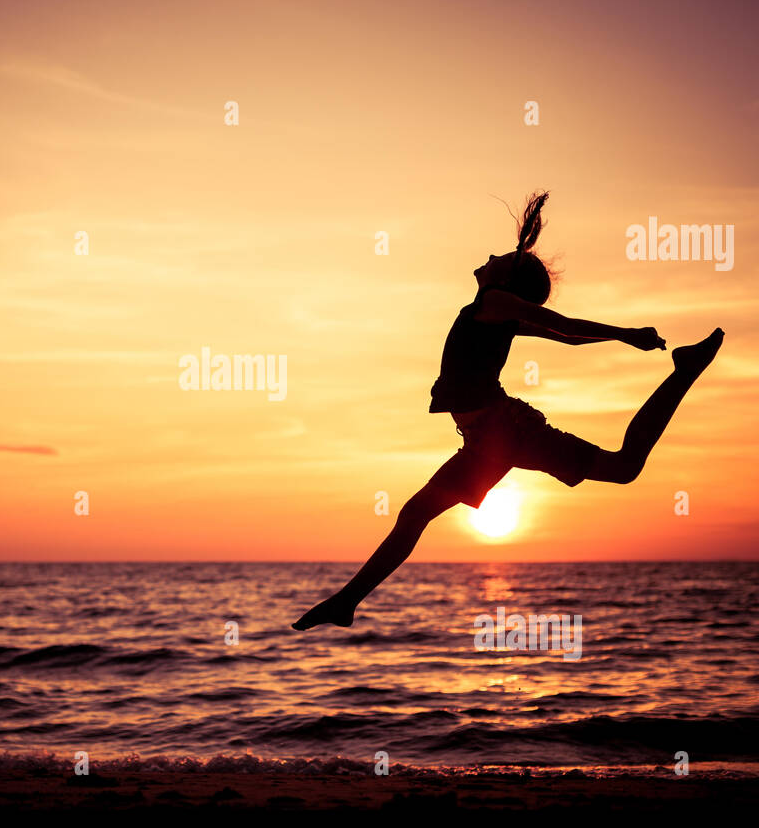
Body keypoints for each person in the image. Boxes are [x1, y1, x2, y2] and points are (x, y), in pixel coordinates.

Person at [292, 191, 723, 630]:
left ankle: (685, 371)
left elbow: (566, 327)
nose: (491, 254)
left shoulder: (494, 304)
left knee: (623, 466)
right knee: (417, 513)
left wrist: (626, 333)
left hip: (505, 432)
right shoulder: (494, 311)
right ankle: (345, 602)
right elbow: (569, 336)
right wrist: (619, 336)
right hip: (487, 442)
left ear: (507, 278)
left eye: (499, 255)